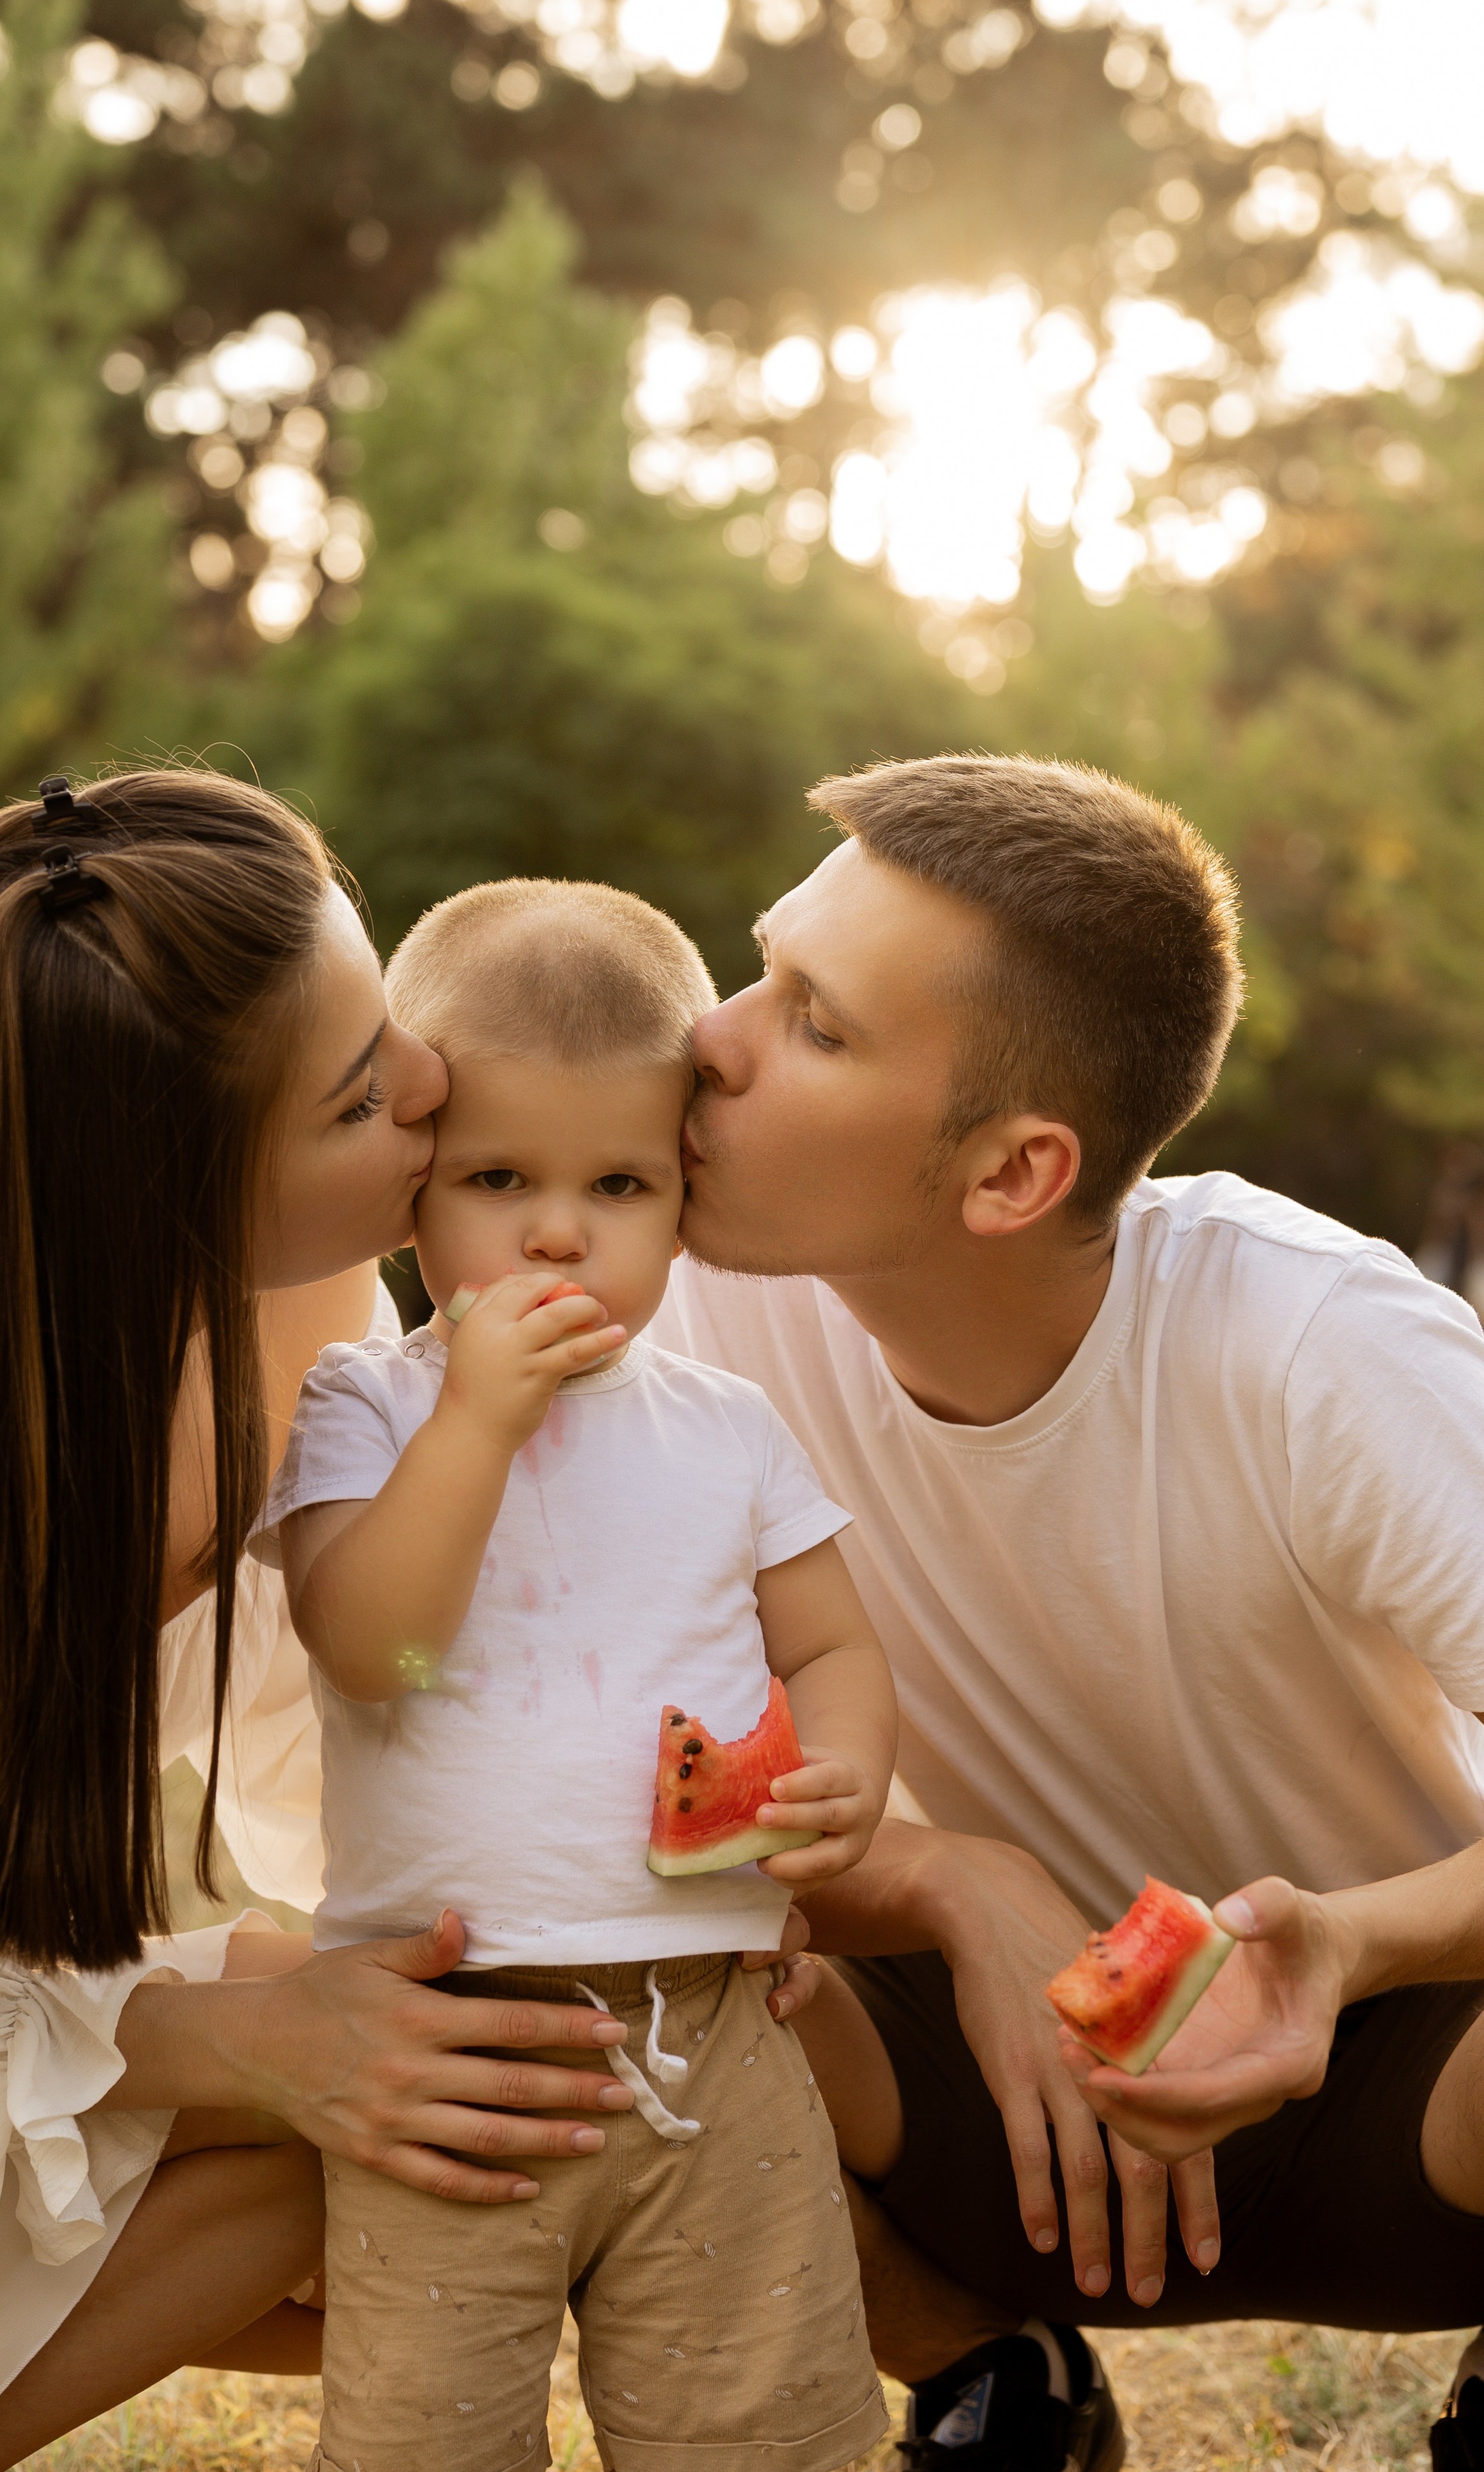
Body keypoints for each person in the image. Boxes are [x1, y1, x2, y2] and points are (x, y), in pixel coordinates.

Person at [0, 771, 645, 2472]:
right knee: (393, 2116)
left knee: (501, 2058)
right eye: (359, 1097)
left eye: (389, 1024)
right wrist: (254, 2037)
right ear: (168, 1203)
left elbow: (373, 1720)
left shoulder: (298, 1315)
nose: (432, 1087)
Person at [647, 752, 1484, 2472]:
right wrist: (954, 1882)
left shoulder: (1315, 1347)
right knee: (581, 1957)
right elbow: (612, 1779)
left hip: (1407, 2103)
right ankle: (990, 2383)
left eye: (813, 1022)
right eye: (760, 968)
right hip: (987, 2103)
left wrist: (1342, 1946)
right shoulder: (699, 1325)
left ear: (1012, 1174)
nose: (712, 1040)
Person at [261, 878, 898, 2472]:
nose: (557, 1229)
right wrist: (473, 1422)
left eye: (615, 1180)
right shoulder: (368, 1407)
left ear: (682, 1200)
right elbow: (374, 1649)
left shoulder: (728, 1428)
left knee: (763, 2425)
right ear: (413, 1198)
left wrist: (842, 1776)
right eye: (496, 1178)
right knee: (428, 2437)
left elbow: (827, 1644)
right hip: (453, 2050)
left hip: (717, 2031)